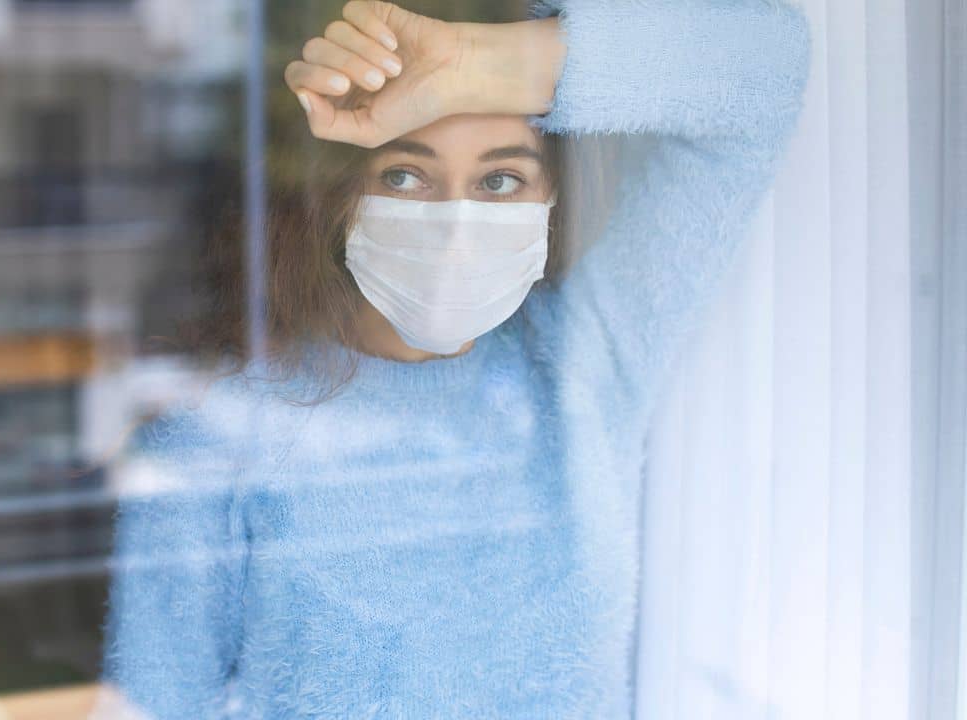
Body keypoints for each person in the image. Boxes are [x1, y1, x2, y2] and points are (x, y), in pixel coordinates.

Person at [98, 1, 811, 717]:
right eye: (405, 176)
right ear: (338, 195)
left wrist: (476, 65)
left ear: (550, 196)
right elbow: (154, 702)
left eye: (499, 181)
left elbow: (763, 68)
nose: (456, 225)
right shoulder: (217, 431)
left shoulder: (581, 366)